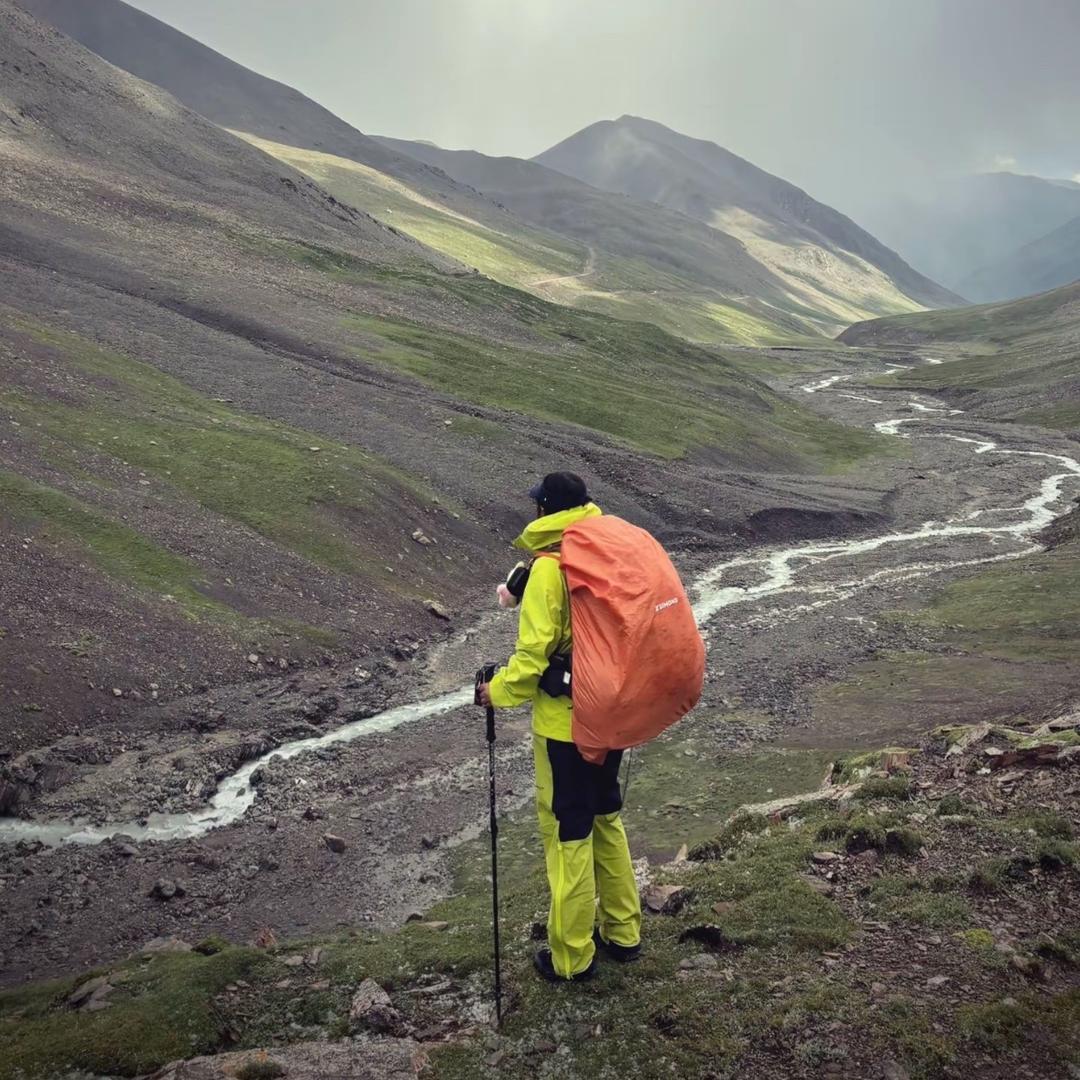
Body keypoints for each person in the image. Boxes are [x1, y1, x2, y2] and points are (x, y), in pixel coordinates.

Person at [477, 472, 642, 982]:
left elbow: (532, 657)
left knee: (569, 831)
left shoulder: (551, 569)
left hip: (566, 726)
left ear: (545, 510)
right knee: (605, 815)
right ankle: (623, 933)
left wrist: (496, 692)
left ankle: (571, 956)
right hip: (611, 713)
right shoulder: (604, 551)